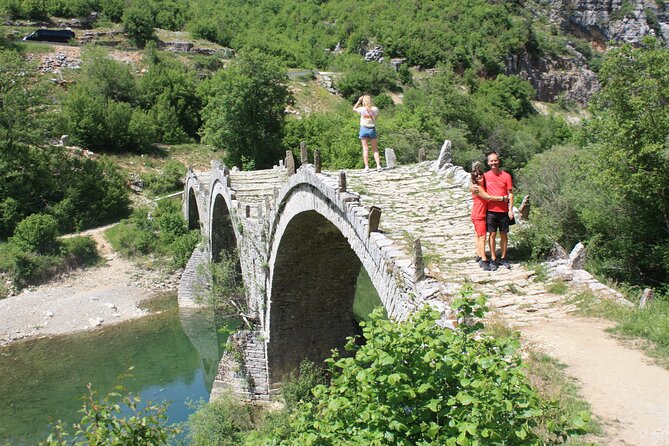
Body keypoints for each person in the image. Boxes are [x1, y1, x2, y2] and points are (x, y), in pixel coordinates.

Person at [470, 162, 508, 271]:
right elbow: (488, 198)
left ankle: (479, 254)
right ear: (474, 179)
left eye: (480, 174)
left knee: (478, 235)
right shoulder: (477, 188)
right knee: (482, 237)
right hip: (479, 215)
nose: (480, 176)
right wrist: (502, 198)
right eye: (476, 176)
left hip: (479, 214)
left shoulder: (480, 186)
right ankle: (483, 259)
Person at [479, 151, 514, 269]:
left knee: (504, 234)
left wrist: (510, 210)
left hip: (503, 210)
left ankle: (503, 258)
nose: (493, 163)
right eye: (491, 161)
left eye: (495, 160)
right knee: (492, 234)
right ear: (488, 162)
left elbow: (510, 194)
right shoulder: (485, 176)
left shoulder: (506, 176)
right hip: (491, 210)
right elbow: (480, 189)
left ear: (499, 161)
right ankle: (493, 258)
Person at [353, 95, 381, 172]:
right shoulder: (375, 109)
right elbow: (376, 117)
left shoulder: (361, 109)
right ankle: (378, 166)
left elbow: (354, 109)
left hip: (363, 129)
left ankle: (366, 167)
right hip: (372, 129)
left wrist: (358, 101)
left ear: (363, 101)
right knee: (375, 149)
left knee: (365, 149)